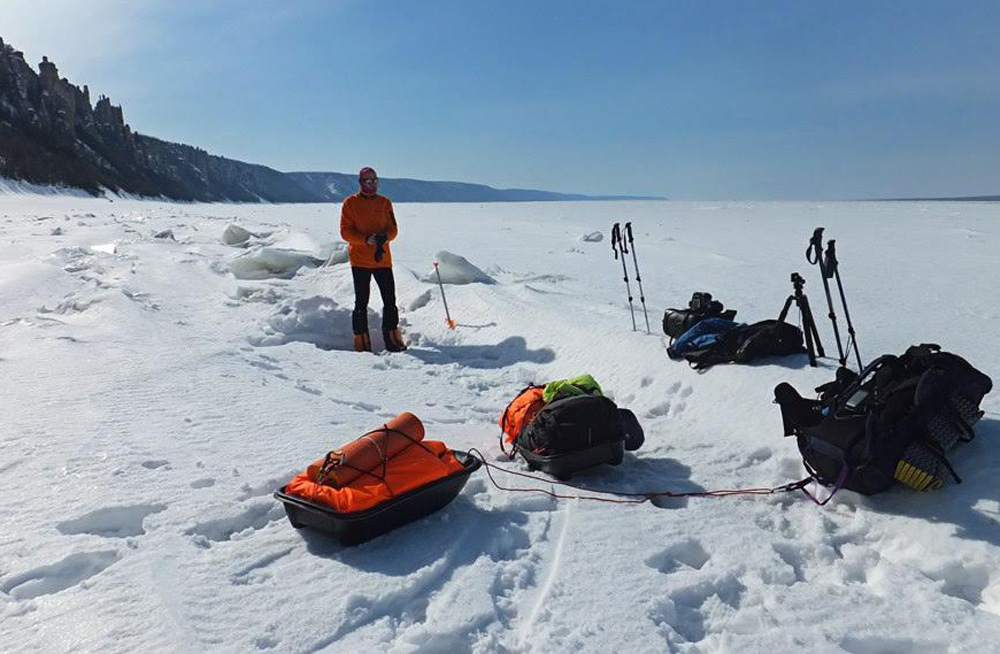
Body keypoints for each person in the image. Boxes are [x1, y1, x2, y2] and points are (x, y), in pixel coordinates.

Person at [340, 167, 407, 352]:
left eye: (374, 180)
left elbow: (393, 229)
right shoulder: (350, 204)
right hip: (360, 261)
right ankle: (362, 342)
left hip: (382, 260)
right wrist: (365, 240)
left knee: (390, 300)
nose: (372, 184)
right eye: (368, 181)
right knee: (361, 301)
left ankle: (392, 340)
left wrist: (385, 237)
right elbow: (345, 232)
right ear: (361, 182)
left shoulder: (385, 203)